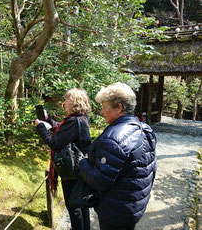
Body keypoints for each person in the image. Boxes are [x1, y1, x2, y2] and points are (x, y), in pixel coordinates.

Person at [78, 82, 157, 230]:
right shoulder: (144, 128)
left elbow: (98, 180)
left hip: (116, 211)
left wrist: (82, 161)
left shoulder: (114, 138)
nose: (101, 112)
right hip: (134, 204)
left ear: (119, 107)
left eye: (104, 107)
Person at [35, 88, 92, 230]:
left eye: (66, 100)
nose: (63, 103)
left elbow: (54, 142)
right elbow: (63, 131)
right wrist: (47, 120)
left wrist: (41, 127)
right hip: (82, 167)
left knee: (74, 206)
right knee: (81, 203)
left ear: (73, 102)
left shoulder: (72, 121)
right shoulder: (81, 118)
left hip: (72, 171)